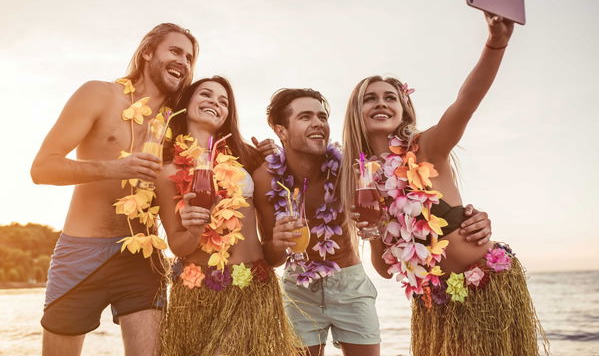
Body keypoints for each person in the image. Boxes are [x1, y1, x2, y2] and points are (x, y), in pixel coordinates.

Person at [341, 11, 549, 356]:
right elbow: (384, 269)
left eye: (390, 97)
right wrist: (376, 230)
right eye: (370, 98)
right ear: (356, 112)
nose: (381, 103)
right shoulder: (361, 181)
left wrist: (495, 44)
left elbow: (465, 104)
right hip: (434, 305)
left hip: (488, 286)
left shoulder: (426, 148)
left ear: (403, 108)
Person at [252, 88, 494, 356]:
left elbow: (414, 193)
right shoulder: (265, 178)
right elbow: (271, 257)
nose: (319, 123)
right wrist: (278, 241)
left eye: (322, 116)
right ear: (281, 130)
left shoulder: (353, 168)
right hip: (299, 288)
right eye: (306, 117)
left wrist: (464, 216)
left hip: (350, 284)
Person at [30, 23, 199, 356]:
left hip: (143, 260)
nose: (184, 61)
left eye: (190, 57)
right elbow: (42, 168)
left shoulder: (178, 124)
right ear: (148, 51)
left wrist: (265, 153)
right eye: (175, 51)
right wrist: (113, 168)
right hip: (81, 253)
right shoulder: (99, 94)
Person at [156, 76, 301, 356]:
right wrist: (195, 231)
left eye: (223, 101)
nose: (215, 102)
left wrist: (276, 153)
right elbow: (177, 245)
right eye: (206, 95)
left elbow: (274, 248)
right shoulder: (166, 171)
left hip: (254, 290)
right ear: (186, 104)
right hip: (198, 295)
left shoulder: (246, 157)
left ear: (227, 115)